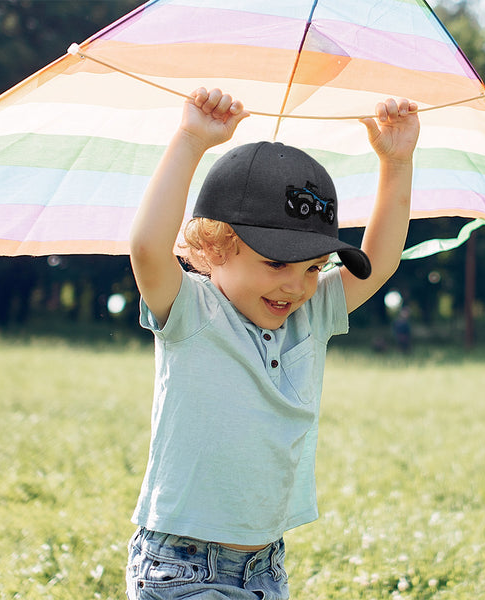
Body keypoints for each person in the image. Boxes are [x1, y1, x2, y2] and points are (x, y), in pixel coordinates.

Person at [127, 87, 420, 599]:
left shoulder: (311, 315)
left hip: (264, 564)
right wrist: (192, 138)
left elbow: (382, 260)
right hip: (183, 563)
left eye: (313, 267)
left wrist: (396, 162)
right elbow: (148, 246)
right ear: (214, 248)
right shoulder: (193, 311)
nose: (297, 285)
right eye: (277, 263)